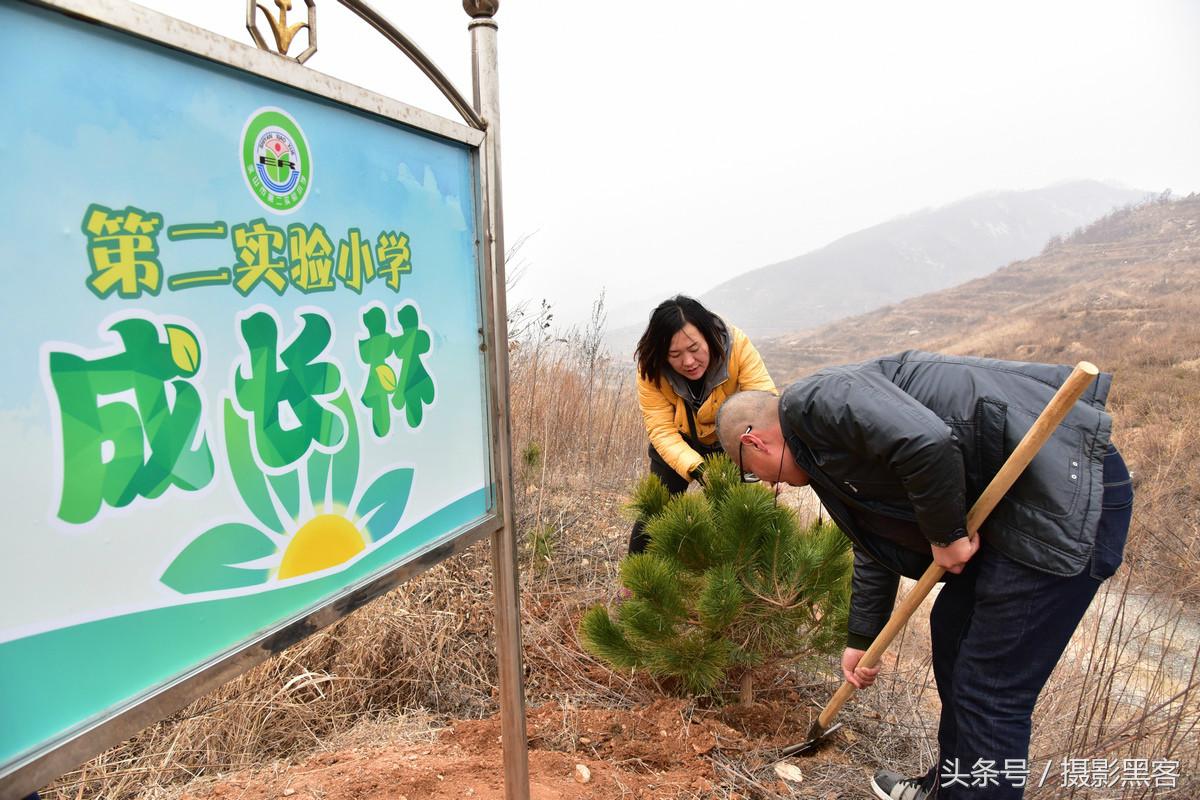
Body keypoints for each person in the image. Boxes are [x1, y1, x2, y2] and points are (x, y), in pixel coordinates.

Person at [716, 351, 1132, 800]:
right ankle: (947, 787)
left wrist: (945, 533)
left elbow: (927, 441)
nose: (771, 485)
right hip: (1018, 503)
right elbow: (873, 537)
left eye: (752, 476)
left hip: (1061, 494)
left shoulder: (812, 402)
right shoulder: (818, 451)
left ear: (753, 443)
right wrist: (862, 637)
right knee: (952, 631)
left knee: (989, 687)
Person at [630, 295, 776, 553]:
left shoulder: (737, 347)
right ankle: (635, 584)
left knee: (744, 512)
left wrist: (759, 460)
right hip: (680, 440)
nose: (688, 362)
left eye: (694, 349)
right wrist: (698, 469)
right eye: (674, 354)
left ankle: (751, 582)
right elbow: (661, 430)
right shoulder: (651, 367)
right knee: (655, 510)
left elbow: (763, 406)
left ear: (708, 336)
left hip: (733, 440)